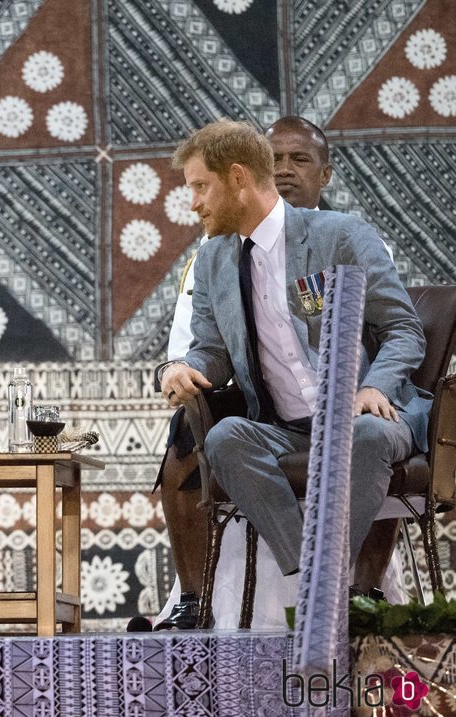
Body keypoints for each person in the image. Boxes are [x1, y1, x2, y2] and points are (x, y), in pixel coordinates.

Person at [157, 120, 428, 619]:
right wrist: (179, 368)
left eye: (200, 186)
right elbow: (211, 353)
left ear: (237, 178)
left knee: (364, 435)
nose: (193, 203)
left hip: (366, 418)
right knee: (224, 438)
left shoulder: (341, 236)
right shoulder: (214, 259)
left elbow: (404, 331)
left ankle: (326, 581)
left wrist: (373, 387)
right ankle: (313, 578)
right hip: (286, 429)